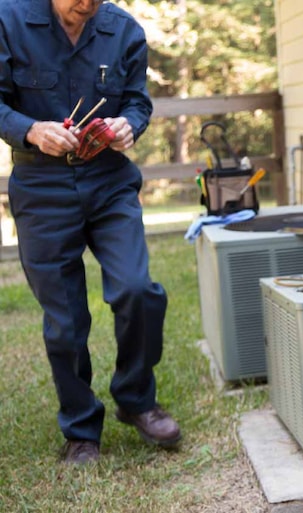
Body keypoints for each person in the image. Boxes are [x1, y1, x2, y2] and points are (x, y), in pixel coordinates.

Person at [0, 0, 180, 464]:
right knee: (65, 321)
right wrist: (32, 129)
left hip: (109, 180)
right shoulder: (8, 18)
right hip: (41, 185)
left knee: (138, 289)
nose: (88, 3)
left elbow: (138, 100)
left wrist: (130, 124)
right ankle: (81, 429)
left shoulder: (124, 30)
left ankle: (136, 399)